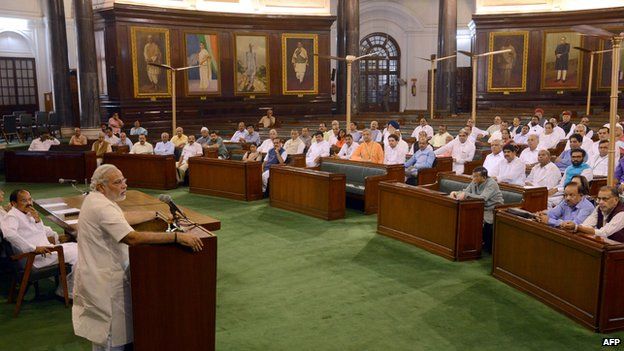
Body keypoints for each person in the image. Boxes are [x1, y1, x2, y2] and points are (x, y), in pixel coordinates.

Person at [72, 165, 203, 350]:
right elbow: (132, 238)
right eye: (117, 182)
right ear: (101, 186)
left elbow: (122, 218)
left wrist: (155, 214)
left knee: (114, 335)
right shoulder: (101, 206)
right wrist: (177, 237)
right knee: (111, 338)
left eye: (124, 180)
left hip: (101, 274)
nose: (124, 185)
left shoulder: (97, 200)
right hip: (105, 280)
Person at [2, 189, 78, 297]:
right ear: (14, 203)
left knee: (80, 247)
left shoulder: (28, 213)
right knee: (79, 255)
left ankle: (72, 287)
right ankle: (66, 291)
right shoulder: (12, 216)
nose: (28, 203)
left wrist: (37, 220)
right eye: (24, 200)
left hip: (46, 250)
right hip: (35, 257)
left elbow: (37, 234)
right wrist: (33, 248)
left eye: (30, 199)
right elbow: (9, 235)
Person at [450, 167, 503, 253]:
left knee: (476, 219)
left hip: (492, 209)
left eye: (475, 176)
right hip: (477, 207)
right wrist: (455, 193)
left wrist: (465, 194)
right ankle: (465, 244)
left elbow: (483, 198)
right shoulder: (474, 181)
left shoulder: (491, 183)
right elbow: (465, 191)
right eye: (473, 176)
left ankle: (476, 246)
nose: (473, 178)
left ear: (484, 177)